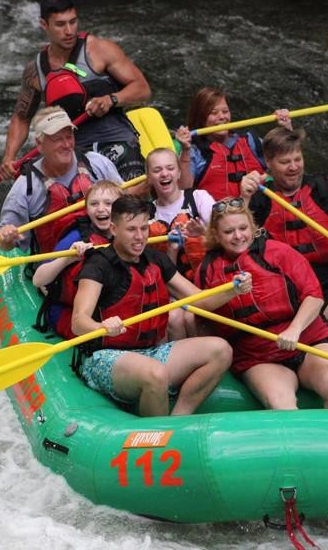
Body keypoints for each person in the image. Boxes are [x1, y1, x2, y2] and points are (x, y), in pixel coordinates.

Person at [71, 195, 253, 417]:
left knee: (221, 350)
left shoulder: (156, 259)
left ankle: (178, 419)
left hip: (150, 352)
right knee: (155, 373)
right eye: (131, 230)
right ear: (114, 228)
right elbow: (78, 322)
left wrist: (233, 290)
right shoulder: (98, 265)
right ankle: (158, 436)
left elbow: (200, 300)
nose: (139, 237)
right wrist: (101, 326)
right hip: (104, 357)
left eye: (143, 228)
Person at [196, 198, 328, 410]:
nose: (238, 236)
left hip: (307, 341)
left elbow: (314, 296)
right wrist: (230, 292)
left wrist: (294, 330)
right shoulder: (207, 270)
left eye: (243, 228)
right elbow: (202, 309)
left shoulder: (279, 252)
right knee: (282, 405)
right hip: (258, 356)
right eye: (228, 231)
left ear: (252, 226)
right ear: (216, 235)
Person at [240, 127, 328, 356]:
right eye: (285, 162)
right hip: (281, 290)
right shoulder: (259, 196)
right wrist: (244, 198)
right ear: (269, 163)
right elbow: (235, 241)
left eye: (297, 159)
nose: (294, 167)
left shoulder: (324, 189)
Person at [0, 0, 151, 184]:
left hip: (116, 140)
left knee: (132, 195)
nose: (69, 31)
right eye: (60, 25)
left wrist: (111, 99)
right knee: (34, 181)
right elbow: (21, 117)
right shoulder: (35, 72)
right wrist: (9, 157)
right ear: (44, 25)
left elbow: (142, 89)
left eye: (73, 22)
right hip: (72, 150)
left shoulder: (99, 50)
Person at [0, 106, 122, 253]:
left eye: (69, 137)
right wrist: (7, 237)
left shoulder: (97, 164)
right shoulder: (25, 188)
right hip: (56, 265)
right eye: (58, 140)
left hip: (108, 251)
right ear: (39, 144)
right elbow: (6, 245)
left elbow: (126, 204)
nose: (67, 145)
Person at [32, 180, 122, 339]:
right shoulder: (77, 237)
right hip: (66, 310)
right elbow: (38, 280)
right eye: (94, 204)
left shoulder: (126, 234)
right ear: (87, 210)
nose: (101, 209)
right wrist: (68, 258)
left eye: (108, 203)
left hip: (104, 306)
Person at [146, 147, 214, 339]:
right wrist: (171, 250)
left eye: (169, 168)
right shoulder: (147, 214)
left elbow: (225, 236)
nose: (164, 173)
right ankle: (182, 362)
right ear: (149, 177)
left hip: (204, 282)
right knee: (174, 318)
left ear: (178, 172)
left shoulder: (198, 198)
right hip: (171, 288)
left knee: (191, 318)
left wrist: (203, 234)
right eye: (157, 170)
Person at [174, 87, 291, 200]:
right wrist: (185, 150)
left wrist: (286, 129)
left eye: (225, 111)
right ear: (201, 118)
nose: (222, 117)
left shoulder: (250, 141)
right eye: (214, 113)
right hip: (218, 216)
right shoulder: (194, 151)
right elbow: (183, 191)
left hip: (259, 214)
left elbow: (288, 163)